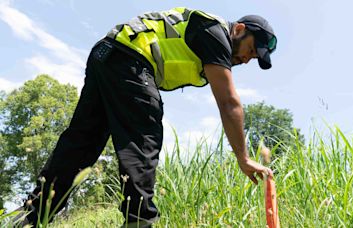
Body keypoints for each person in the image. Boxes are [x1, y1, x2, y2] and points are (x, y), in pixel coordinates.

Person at [17, 7, 277, 227]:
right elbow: (229, 102)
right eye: (251, 50)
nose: (246, 59)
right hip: (130, 59)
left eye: (254, 58)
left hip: (108, 54)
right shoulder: (215, 32)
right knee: (143, 136)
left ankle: (32, 216)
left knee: (82, 143)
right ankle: (139, 221)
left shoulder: (209, 34)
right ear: (240, 29)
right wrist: (243, 159)